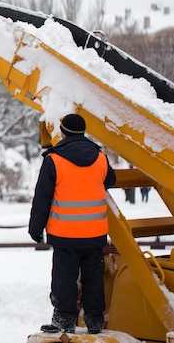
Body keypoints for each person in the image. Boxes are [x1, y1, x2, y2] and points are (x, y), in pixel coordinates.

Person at [28, 114, 116, 335]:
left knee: (65, 279)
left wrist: (35, 229)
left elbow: (42, 198)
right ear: (83, 132)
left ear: (63, 132)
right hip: (94, 233)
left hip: (65, 234)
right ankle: (95, 321)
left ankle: (64, 320)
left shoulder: (54, 160)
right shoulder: (100, 157)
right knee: (93, 278)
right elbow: (111, 180)